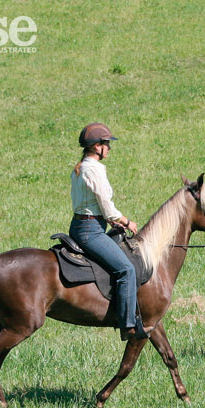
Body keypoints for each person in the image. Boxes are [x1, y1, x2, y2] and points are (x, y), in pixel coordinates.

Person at [69, 123, 142, 340]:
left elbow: (93, 203)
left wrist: (111, 222)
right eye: (107, 144)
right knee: (126, 270)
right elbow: (105, 204)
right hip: (91, 231)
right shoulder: (93, 169)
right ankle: (127, 324)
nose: (109, 148)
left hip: (83, 225)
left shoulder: (82, 166)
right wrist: (125, 221)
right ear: (97, 146)